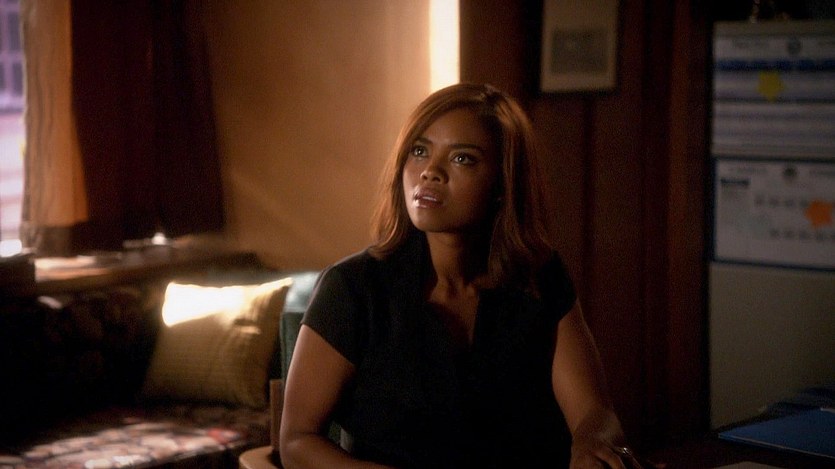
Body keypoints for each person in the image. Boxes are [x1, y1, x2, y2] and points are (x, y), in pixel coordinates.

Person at [279, 83, 640, 469]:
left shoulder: (538, 277)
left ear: (503, 183)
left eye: (462, 159)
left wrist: (591, 442)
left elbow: (595, 413)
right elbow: (297, 441)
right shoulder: (353, 289)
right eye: (420, 151)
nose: (430, 172)